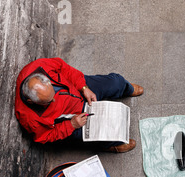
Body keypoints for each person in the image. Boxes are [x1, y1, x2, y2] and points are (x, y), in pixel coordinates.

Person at [15, 58, 144, 152]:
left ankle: (126, 88)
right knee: (103, 132)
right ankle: (111, 145)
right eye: (48, 102)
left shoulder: (39, 66)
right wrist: (71, 125)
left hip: (77, 89)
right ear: (32, 102)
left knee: (116, 82)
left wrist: (83, 87)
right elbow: (45, 136)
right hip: (72, 117)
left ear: (45, 80)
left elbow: (65, 69)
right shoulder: (29, 118)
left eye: (53, 92)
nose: (54, 100)